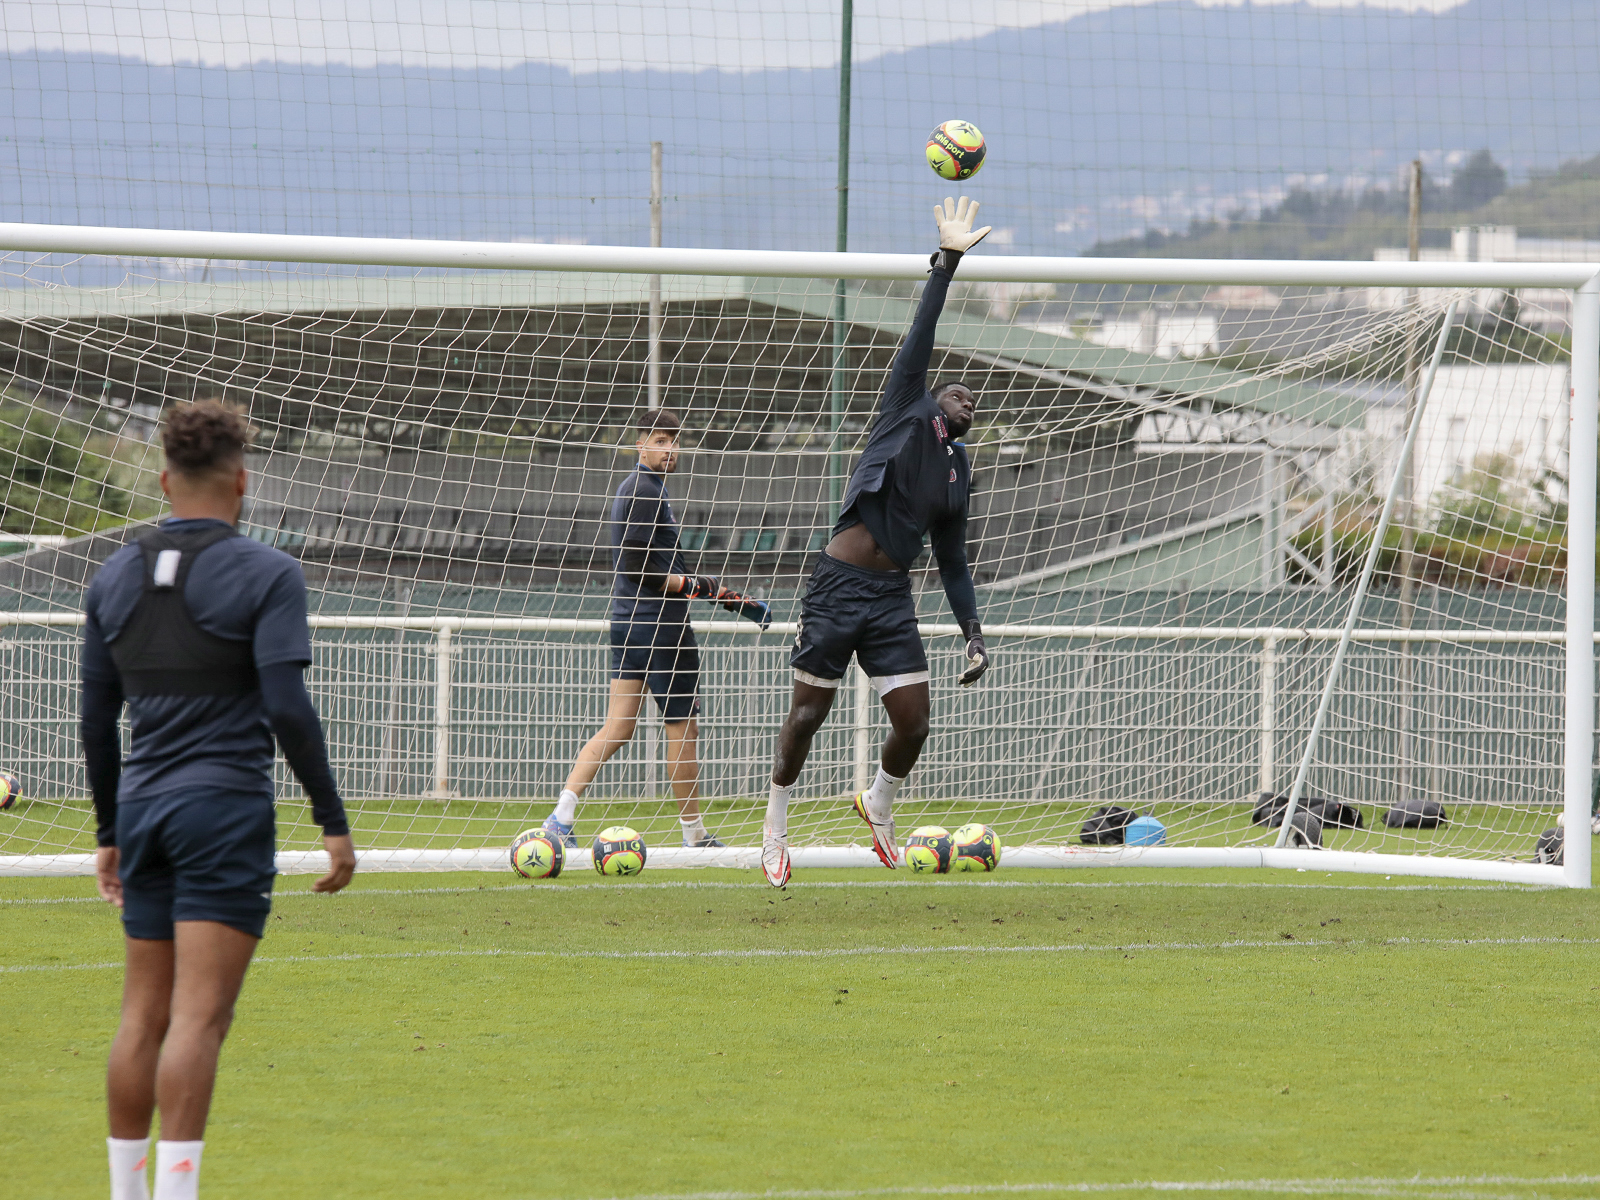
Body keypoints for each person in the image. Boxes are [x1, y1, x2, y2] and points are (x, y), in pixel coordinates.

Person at [84, 400, 356, 1200]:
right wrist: (331, 822)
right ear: (243, 481)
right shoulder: (268, 572)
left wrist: (109, 830)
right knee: (199, 1020)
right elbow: (285, 707)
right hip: (224, 810)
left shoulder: (111, 574)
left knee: (142, 1017)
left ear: (165, 479)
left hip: (143, 809)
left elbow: (96, 722)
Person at [761, 197, 994, 887]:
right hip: (838, 586)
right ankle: (774, 832)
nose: (966, 396)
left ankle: (877, 804)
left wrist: (973, 634)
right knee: (807, 716)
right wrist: (947, 261)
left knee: (916, 724)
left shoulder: (958, 472)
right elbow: (923, 331)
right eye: (956, 390)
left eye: (974, 400)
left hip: (892, 597)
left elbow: (952, 561)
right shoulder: (906, 408)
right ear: (933, 397)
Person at [542, 407, 733, 849]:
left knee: (618, 727)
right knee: (683, 730)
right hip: (661, 625)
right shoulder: (645, 491)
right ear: (640, 444)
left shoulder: (640, 488)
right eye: (661, 441)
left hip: (626, 623)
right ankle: (694, 835)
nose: (671, 449)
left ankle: (560, 817)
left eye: (674, 440)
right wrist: (694, 585)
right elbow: (634, 565)